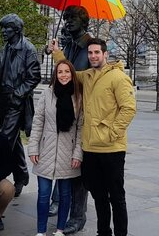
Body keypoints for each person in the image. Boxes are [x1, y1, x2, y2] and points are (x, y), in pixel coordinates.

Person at [49, 37, 136, 236]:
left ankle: (121, 233)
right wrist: (56, 52)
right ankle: (103, 232)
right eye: (90, 53)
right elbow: (68, 73)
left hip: (111, 148)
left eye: (97, 52)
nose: (93, 56)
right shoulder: (87, 76)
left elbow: (129, 109)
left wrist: (112, 133)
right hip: (90, 148)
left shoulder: (118, 78)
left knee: (116, 197)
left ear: (105, 54)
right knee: (98, 196)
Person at [45, 6, 93, 234]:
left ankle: (78, 215)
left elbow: (77, 77)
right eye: (66, 18)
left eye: (72, 18)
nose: (67, 22)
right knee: (66, 164)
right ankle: (62, 205)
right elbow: (64, 77)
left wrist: (59, 57)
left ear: (84, 21)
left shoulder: (89, 46)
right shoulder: (71, 44)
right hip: (67, 112)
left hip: (82, 113)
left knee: (78, 169)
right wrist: (57, 53)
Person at [28, 60, 83, 236]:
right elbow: (38, 122)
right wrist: (33, 148)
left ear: (72, 74)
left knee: (65, 195)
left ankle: (60, 230)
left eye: (67, 71)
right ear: (55, 74)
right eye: (60, 72)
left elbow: (81, 128)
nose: (64, 75)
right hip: (46, 151)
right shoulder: (47, 94)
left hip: (68, 153)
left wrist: (78, 154)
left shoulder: (79, 97)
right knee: (43, 195)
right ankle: (41, 231)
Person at [0, 13, 41, 198]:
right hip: (4, 98)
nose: (3, 31)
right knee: (14, 142)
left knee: (5, 140)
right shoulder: (6, 47)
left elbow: (34, 76)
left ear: (16, 29)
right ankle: (21, 176)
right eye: (3, 27)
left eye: (7, 28)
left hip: (17, 100)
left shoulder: (28, 49)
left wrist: (18, 94)